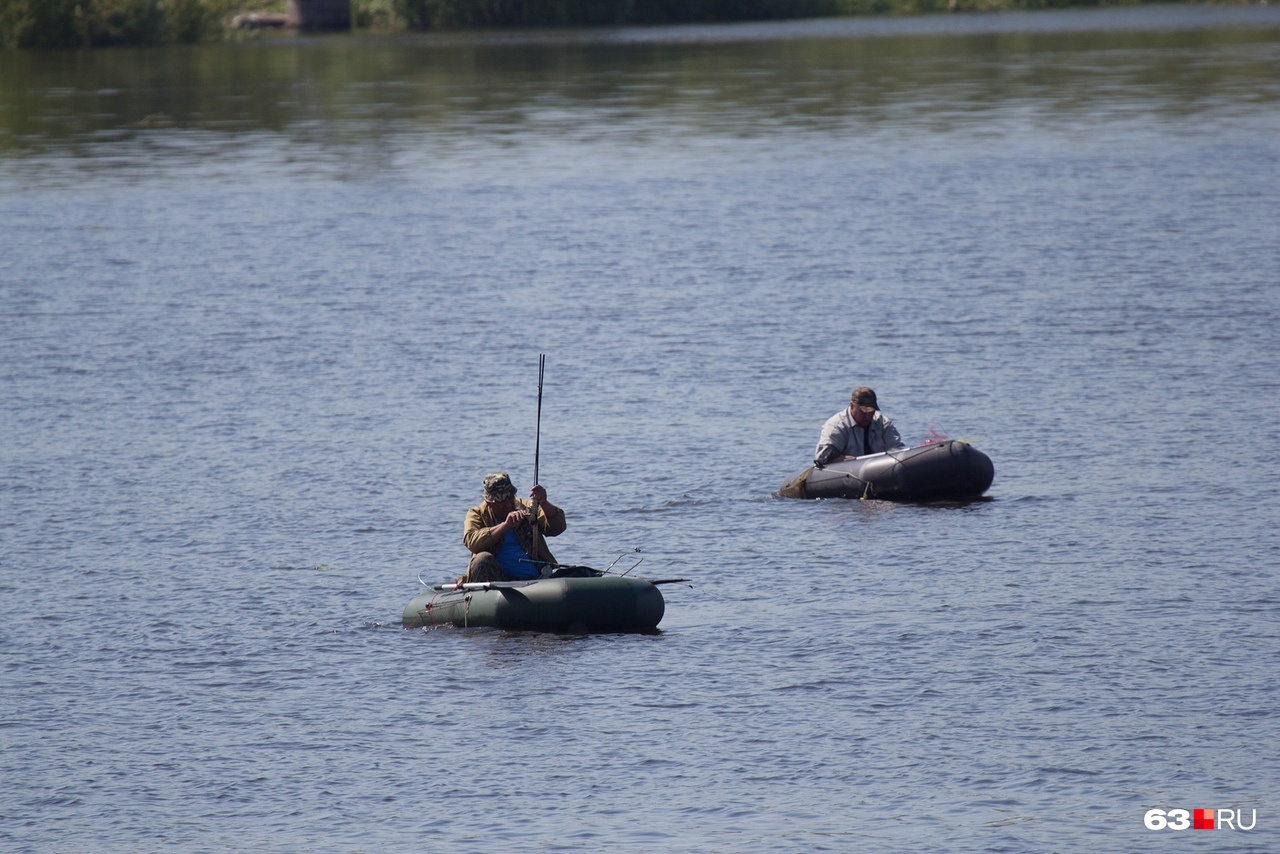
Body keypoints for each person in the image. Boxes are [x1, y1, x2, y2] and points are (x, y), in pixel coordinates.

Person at [462, 471, 567, 582]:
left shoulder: (526, 507)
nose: (508, 504)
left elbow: (557, 528)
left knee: (581, 573)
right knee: (482, 559)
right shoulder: (477, 514)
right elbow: (472, 541)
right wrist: (505, 526)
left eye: (510, 498)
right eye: (502, 502)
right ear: (489, 503)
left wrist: (544, 503)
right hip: (500, 584)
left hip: (537, 579)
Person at [813, 386, 906, 468]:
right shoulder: (836, 426)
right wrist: (850, 460)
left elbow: (897, 450)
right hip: (846, 476)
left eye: (871, 411)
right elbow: (822, 457)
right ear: (852, 406)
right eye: (863, 411)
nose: (867, 416)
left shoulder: (882, 423)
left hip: (880, 472)